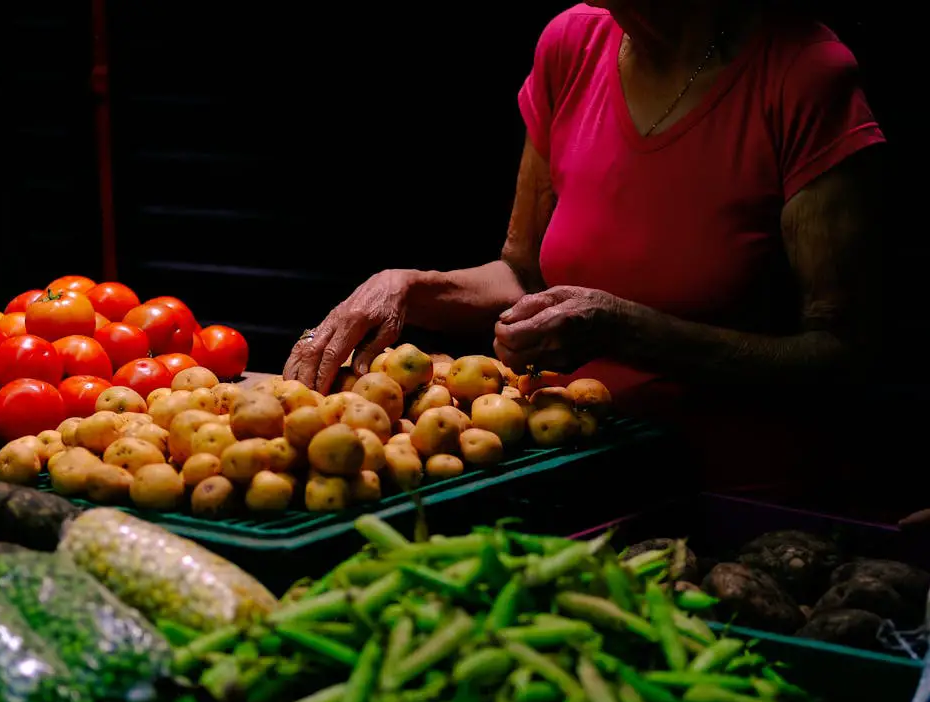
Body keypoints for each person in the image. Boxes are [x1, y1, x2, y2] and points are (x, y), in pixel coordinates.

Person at [284, 0, 886, 493]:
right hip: (570, 464)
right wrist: (410, 286)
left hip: (734, 494)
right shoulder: (571, 45)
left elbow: (839, 354)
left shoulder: (803, 74)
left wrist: (629, 330)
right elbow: (522, 273)